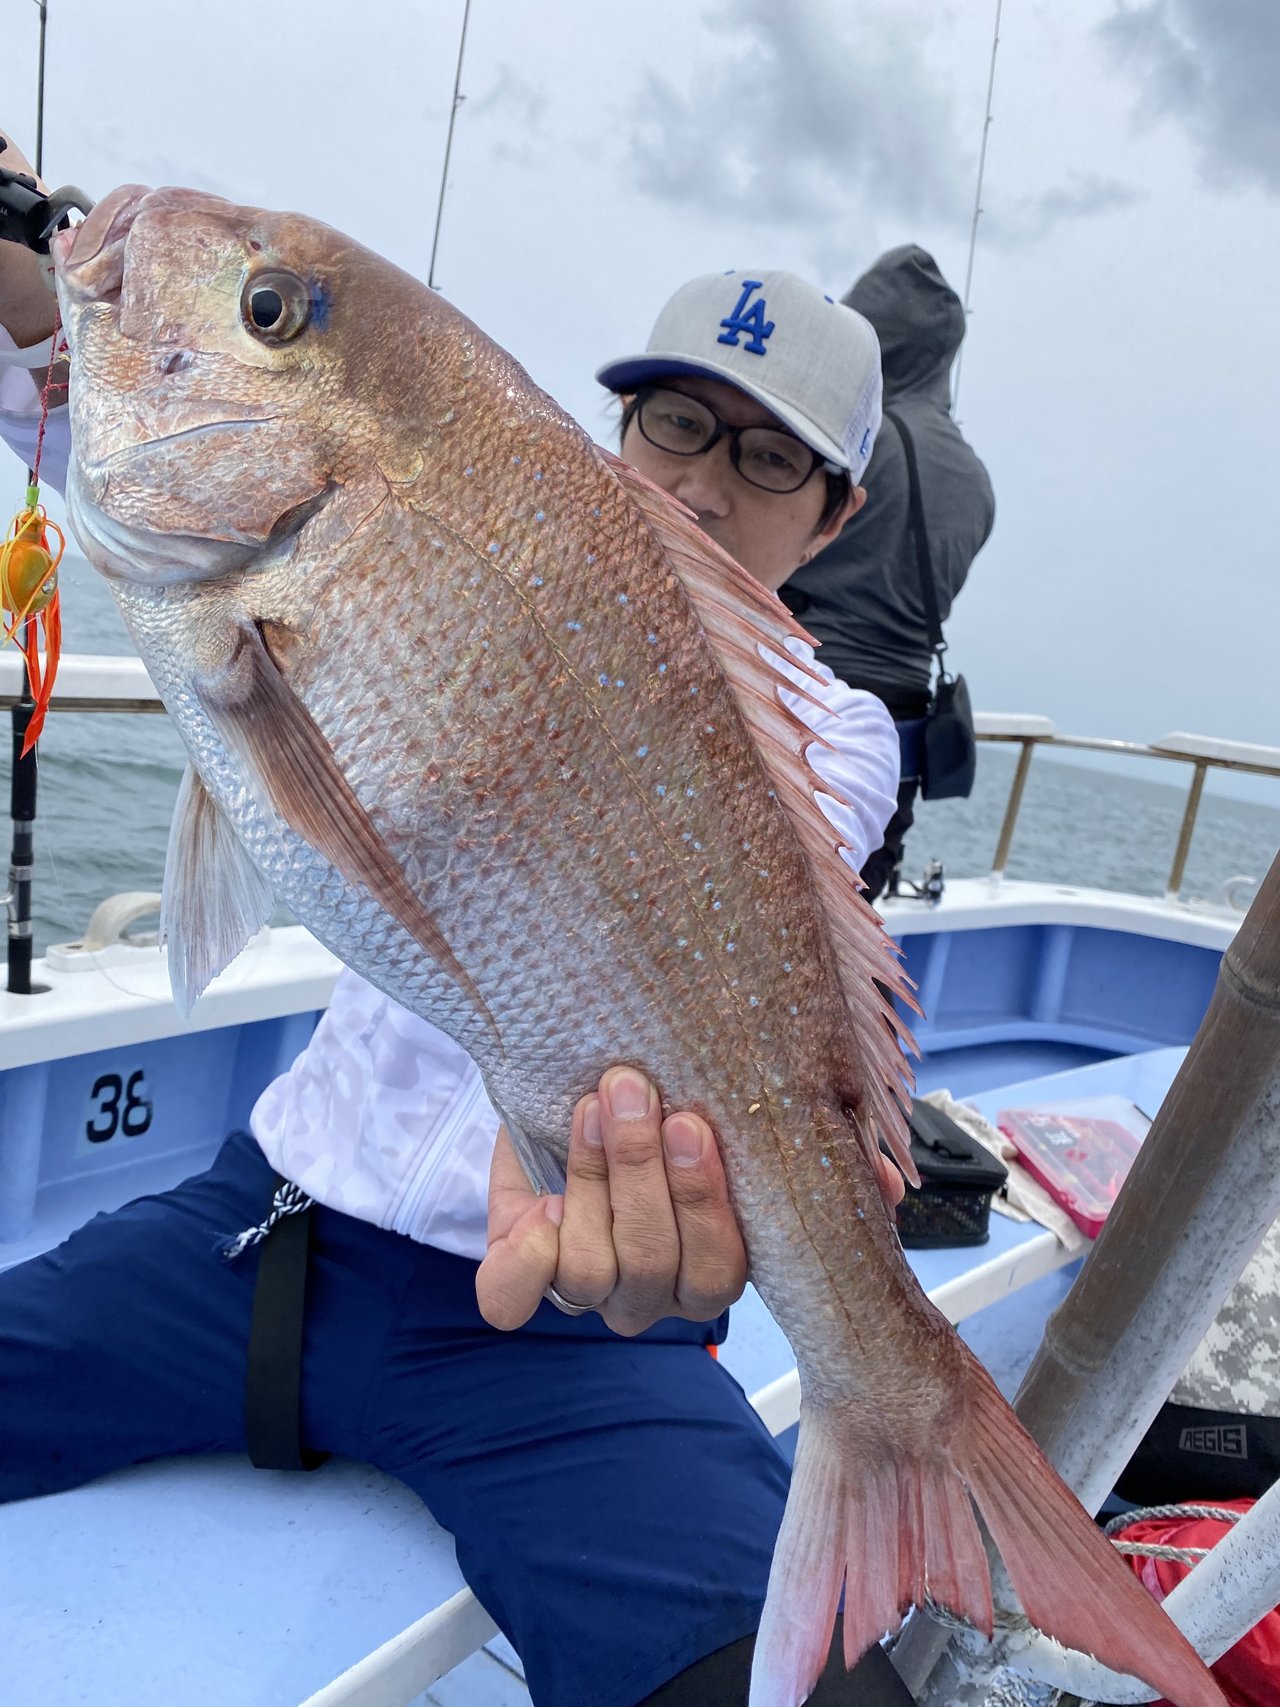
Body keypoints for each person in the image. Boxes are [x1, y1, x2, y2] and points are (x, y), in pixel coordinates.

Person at [0, 138, 909, 1705]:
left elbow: (759, 947)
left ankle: (905, 1441)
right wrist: (41, 252)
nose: (703, 479)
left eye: (770, 459)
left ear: (833, 519)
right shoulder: (374, 519)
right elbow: (98, 386)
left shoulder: (832, 733)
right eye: (679, 421)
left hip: (568, 1329)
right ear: (620, 422)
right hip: (265, 1225)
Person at [782, 245, 996, 901]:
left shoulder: (849, 445)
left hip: (806, 709)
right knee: (848, 910)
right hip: (896, 745)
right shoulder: (976, 481)